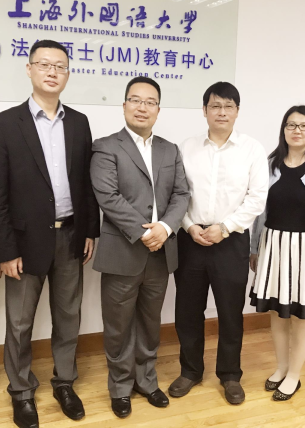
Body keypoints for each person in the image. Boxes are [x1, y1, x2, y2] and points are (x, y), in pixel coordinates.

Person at [0, 40, 100, 428]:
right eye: (44, 64)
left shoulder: (79, 122)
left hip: (70, 236)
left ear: (67, 73)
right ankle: (20, 391)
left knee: (68, 317)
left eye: (60, 66)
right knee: (20, 323)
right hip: (23, 242)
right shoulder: (3, 124)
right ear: (29, 69)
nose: (52, 72)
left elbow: (85, 183)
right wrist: (4, 250)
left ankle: (64, 382)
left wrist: (90, 230)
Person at [90, 76, 190, 418]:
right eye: (135, 100)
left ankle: (146, 381)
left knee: (149, 323)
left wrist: (165, 227)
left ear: (158, 110)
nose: (142, 107)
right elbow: (107, 196)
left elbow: (181, 194)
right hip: (123, 251)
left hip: (161, 253)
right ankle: (120, 386)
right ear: (124, 106)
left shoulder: (169, 149)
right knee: (118, 326)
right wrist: (143, 232)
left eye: (150, 102)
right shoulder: (106, 147)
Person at [168, 82, 269, 405]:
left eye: (228, 106)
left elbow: (257, 199)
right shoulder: (186, 148)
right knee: (187, 311)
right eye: (215, 106)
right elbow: (176, 194)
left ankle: (230, 375)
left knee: (230, 312)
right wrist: (189, 226)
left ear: (237, 111)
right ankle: (190, 371)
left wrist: (224, 228)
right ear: (204, 110)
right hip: (191, 239)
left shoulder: (252, 149)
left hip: (231, 240)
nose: (221, 112)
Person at [249, 105, 305, 401]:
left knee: (300, 316)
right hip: (272, 247)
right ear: (283, 130)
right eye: (291, 125)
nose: (296, 130)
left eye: (304, 125)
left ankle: (294, 375)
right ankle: (281, 367)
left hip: (303, 252)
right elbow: (259, 212)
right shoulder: (271, 164)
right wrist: (254, 248)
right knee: (277, 312)